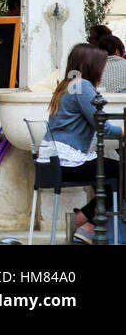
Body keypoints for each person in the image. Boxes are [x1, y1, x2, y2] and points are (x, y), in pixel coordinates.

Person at [40, 44, 122, 244]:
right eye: (101, 65)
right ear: (91, 65)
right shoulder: (82, 86)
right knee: (122, 173)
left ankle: (89, 225)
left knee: (112, 172)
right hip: (67, 161)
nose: (103, 70)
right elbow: (104, 128)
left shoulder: (67, 84)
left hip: (51, 161)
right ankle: (83, 220)